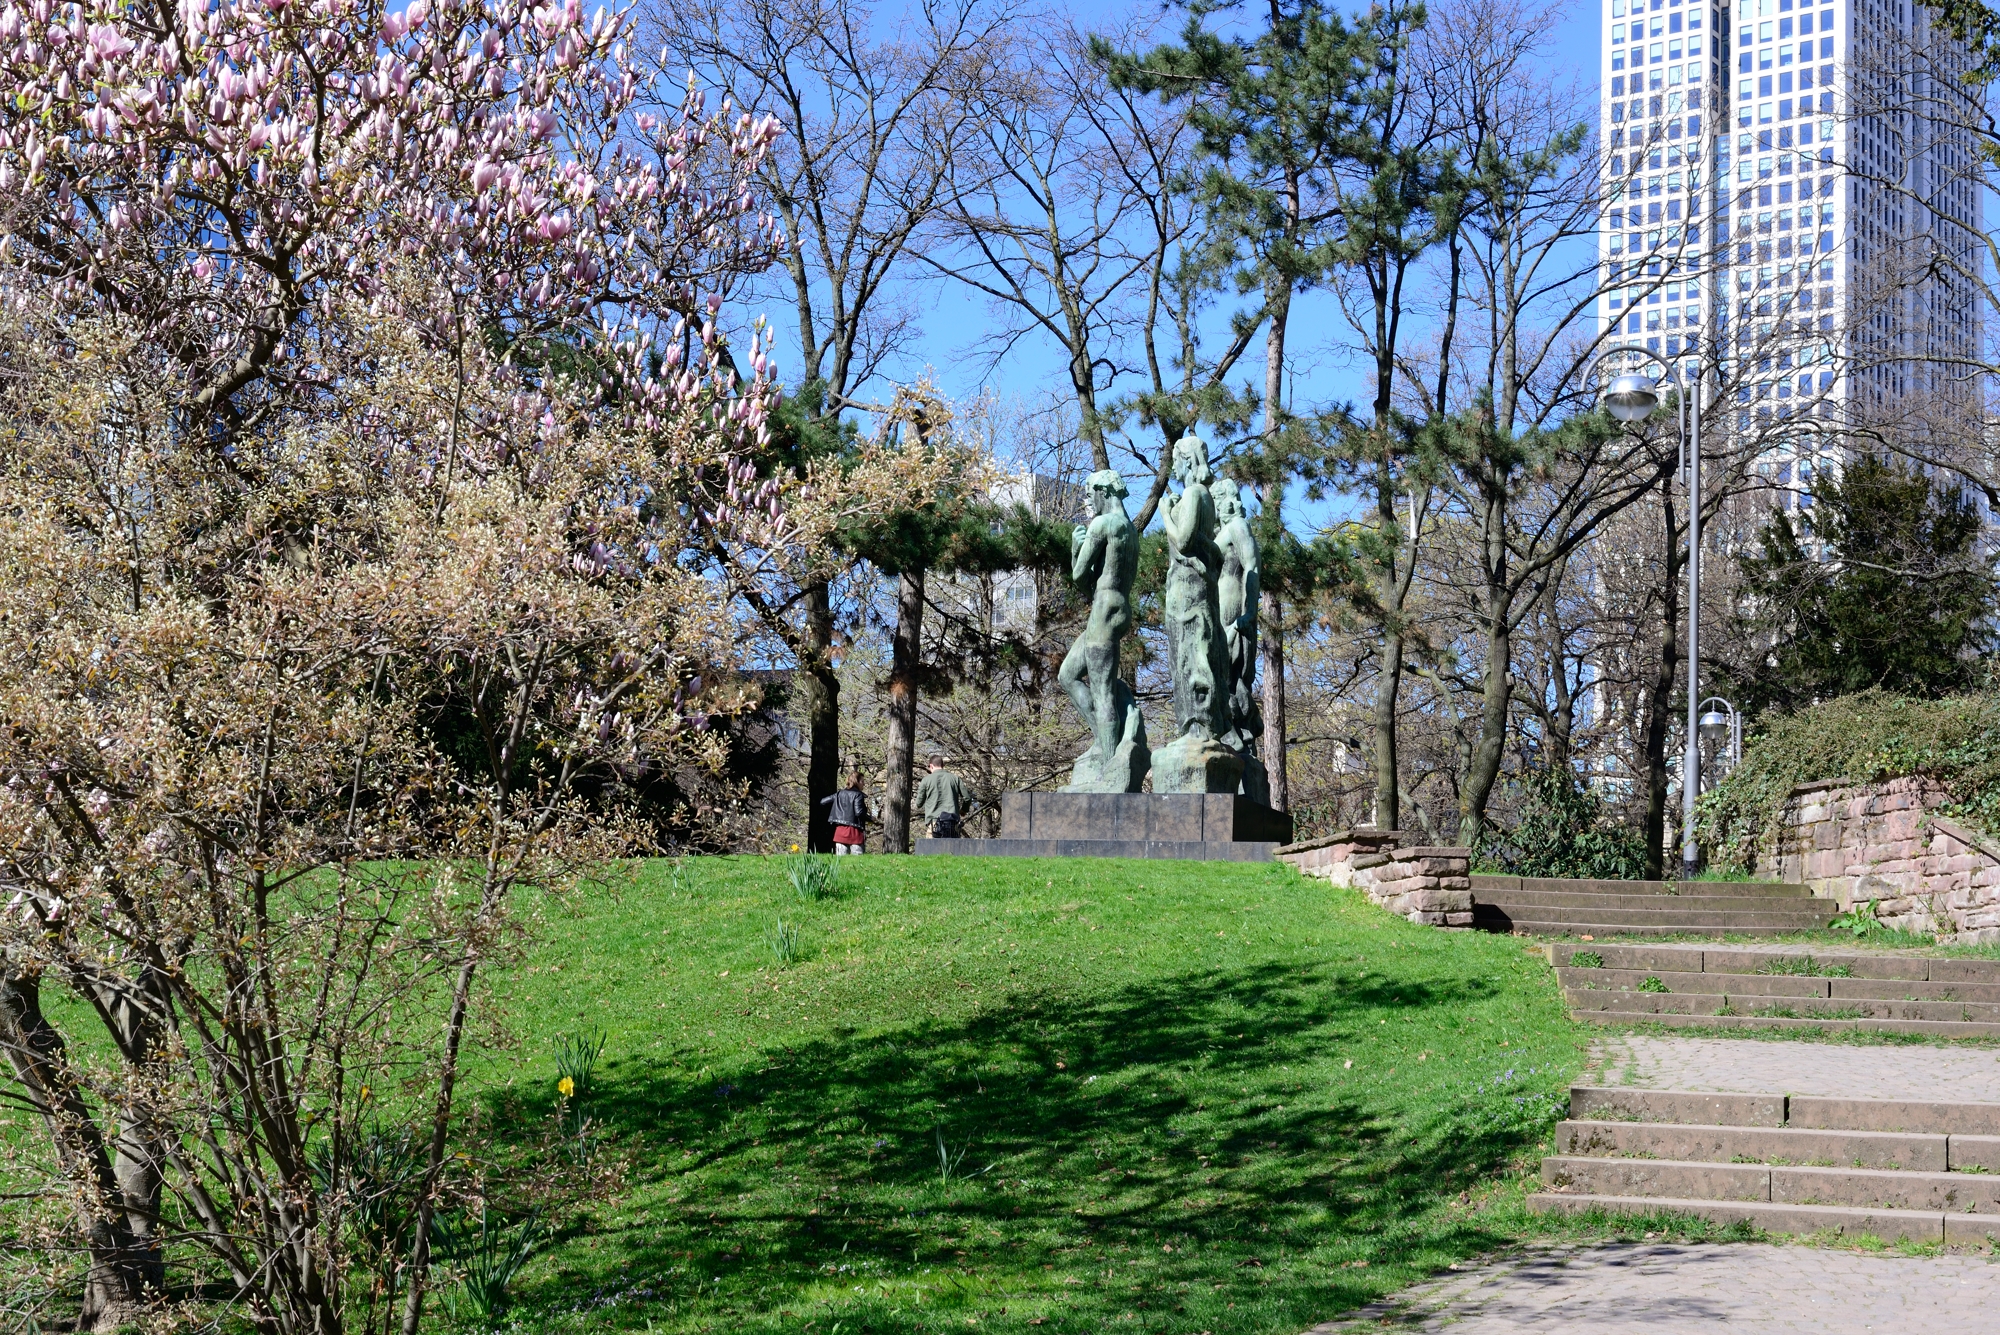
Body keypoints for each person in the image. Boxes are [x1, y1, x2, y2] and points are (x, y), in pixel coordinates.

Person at [917, 754, 971, 838]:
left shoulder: (926, 780)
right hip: (952, 822)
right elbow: (967, 798)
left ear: (931, 766)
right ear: (943, 765)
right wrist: (963, 810)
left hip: (934, 823)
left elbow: (918, 803)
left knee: (932, 850)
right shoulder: (955, 778)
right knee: (952, 850)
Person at [820, 768, 872, 854]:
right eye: (862, 781)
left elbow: (823, 802)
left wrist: (835, 810)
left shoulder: (839, 794)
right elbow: (859, 812)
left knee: (841, 862)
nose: (864, 784)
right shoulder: (858, 795)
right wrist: (870, 818)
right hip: (855, 831)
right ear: (857, 782)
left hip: (840, 830)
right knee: (858, 861)